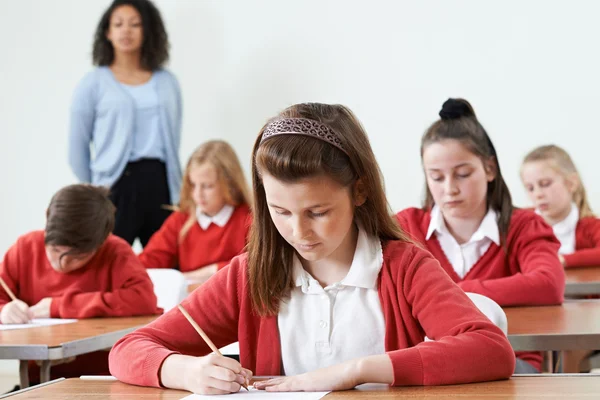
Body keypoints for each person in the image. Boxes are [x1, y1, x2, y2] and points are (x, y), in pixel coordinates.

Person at [109, 103, 514, 394]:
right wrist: (183, 371)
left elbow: (491, 350)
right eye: (280, 211)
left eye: (317, 211)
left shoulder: (404, 267)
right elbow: (128, 349)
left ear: (359, 191)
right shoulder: (250, 274)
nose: (298, 231)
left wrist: (353, 372)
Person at [396, 98, 565, 374]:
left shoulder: (523, 225)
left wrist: (447, 292)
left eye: (462, 174)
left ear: (489, 169)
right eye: (436, 177)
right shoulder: (405, 227)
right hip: (428, 367)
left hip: (508, 363)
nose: (449, 189)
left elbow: (548, 283)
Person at [0, 184, 161, 381]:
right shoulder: (25, 248)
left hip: (101, 381)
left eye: (79, 256)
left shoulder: (115, 251)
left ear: (102, 240)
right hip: (38, 383)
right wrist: (4, 310)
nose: (63, 263)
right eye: (56, 250)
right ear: (47, 218)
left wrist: (58, 306)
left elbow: (144, 299)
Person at [69, 0, 182, 246]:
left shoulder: (167, 82)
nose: (126, 31)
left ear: (147, 30)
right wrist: (98, 188)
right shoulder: (93, 83)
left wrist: (178, 188)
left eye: (135, 24)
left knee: (165, 264)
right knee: (108, 261)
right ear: (108, 32)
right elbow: (76, 148)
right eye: (118, 24)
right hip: (114, 186)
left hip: (159, 182)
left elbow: (174, 141)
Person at [139, 140, 251, 284]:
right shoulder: (180, 220)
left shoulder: (249, 219)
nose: (198, 194)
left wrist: (211, 271)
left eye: (207, 186)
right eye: (193, 185)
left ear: (229, 184)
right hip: (189, 303)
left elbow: (256, 266)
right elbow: (150, 259)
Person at [521, 144, 600, 268]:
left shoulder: (590, 226)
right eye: (530, 188)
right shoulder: (520, 223)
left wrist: (561, 260)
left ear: (571, 183)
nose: (538, 194)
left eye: (545, 184)